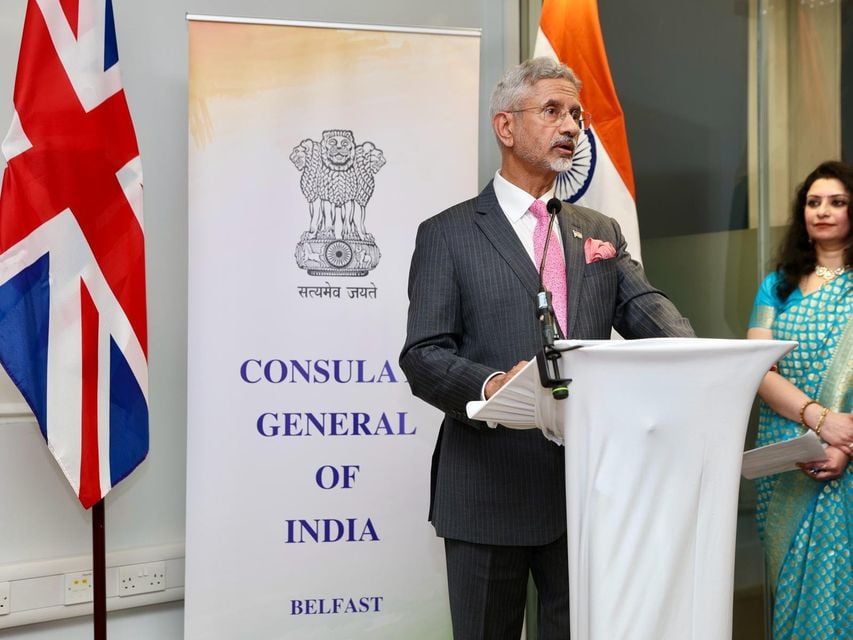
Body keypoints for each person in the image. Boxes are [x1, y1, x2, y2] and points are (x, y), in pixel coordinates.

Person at [399, 57, 694, 640]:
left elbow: (651, 318)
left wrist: (703, 356)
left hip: (585, 493)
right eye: (553, 110)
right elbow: (424, 355)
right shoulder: (448, 233)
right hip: (487, 488)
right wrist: (492, 386)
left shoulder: (600, 231)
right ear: (505, 127)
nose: (571, 126)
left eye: (577, 114)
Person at [747, 160, 853, 639]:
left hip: (849, 448)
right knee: (792, 592)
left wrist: (844, 442)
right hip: (789, 451)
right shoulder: (779, 285)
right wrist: (819, 420)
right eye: (813, 202)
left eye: (837, 202)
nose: (823, 211)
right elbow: (756, 367)